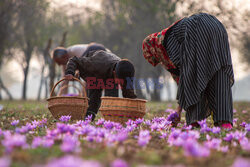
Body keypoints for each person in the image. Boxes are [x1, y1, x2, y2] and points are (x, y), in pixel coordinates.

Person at [142, 13, 234, 129]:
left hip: (196, 28)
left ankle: (195, 122)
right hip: (218, 28)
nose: (160, 60)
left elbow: (185, 77)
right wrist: (178, 112)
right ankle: (225, 122)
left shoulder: (166, 41)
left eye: (156, 58)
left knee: (193, 75)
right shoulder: (170, 34)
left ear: (153, 49)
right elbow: (182, 79)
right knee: (218, 71)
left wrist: (179, 111)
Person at [64, 50, 137, 121]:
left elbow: (129, 93)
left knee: (112, 99)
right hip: (96, 71)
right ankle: (88, 118)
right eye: (120, 81)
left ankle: (111, 119)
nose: (120, 84)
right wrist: (70, 72)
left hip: (109, 72)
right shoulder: (95, 65)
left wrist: (133, 107)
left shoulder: (127, 72)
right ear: (115, 73)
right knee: (94, 97)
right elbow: (74, 60)